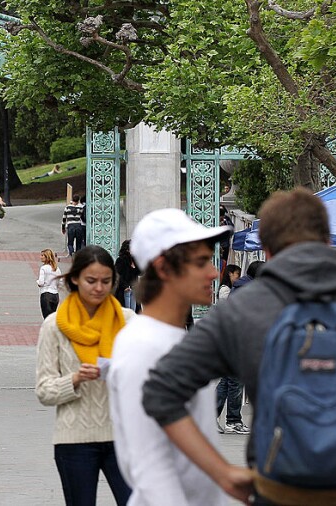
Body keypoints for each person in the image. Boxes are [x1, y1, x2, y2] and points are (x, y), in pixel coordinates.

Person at [141, 188, 336, 506]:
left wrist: (221, 473)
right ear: (328, 240)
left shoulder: (243, 309)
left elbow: (160, 390)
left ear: (266, 250)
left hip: (277, 489)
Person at [107, 209, 230, 506]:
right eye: (201, 262)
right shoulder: (144, 346)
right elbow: (150, 466)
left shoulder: (170, 339)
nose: (213, 273)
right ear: (163, 268)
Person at [35, 245, 133, 506]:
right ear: (75, 278)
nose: (99, 288)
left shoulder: (128, 321)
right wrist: (75, 379)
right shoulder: (54, 326)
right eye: (91, 280)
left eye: (106, 281)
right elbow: (44, 390)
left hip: (124, 437)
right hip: (74, 439)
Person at [214, 263, 247, 435]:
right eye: (236, 274)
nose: (238, 277)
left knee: (227, 381)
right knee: (233, 381)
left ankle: (220, 418)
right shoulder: (227, 290)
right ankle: (233, 420)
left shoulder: (234, 288)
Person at [114, 240, 141, 312]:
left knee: (134, 311)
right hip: (124, 290)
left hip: (134, 289)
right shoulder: (121, 260)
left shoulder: (135, 260)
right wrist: (125, 286)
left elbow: (140, 272)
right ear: (127, 249)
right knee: (126, 312)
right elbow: (117, 275)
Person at [37, 249, 61, 319]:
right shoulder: (57, 269)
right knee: (52, 318)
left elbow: (41, 283)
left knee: (47, 318)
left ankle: (49, 330)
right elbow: (60, 283)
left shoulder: (43, 268)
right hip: (55, 295)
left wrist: (38, 282)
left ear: (47, 257)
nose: (40, 257)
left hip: (46, 294)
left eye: (42, 255)